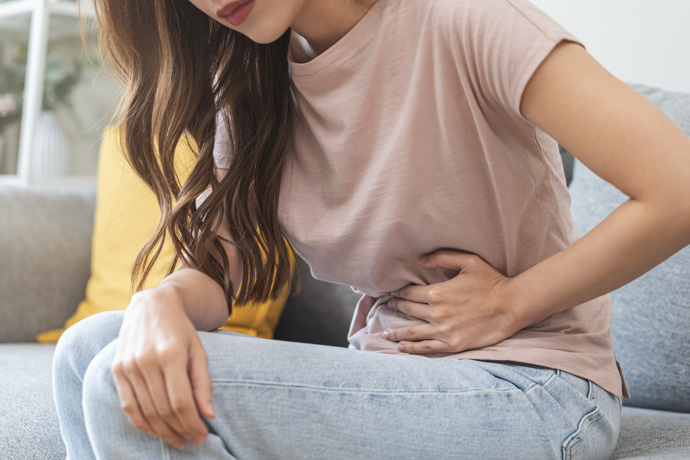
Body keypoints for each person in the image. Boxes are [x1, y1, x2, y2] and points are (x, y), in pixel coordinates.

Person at [53, 0, 690, 458]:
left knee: (115, 382)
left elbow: (677, 188)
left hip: (537, 386)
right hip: (403, 372)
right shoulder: (252, 84)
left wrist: (511, 301)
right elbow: (222, 268)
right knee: (90, 350)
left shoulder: (463, 18)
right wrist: (158, 303)